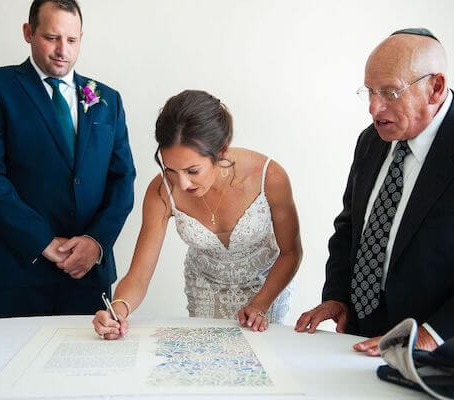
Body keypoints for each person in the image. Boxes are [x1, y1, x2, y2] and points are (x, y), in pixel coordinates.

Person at [295, 28, 454, 370]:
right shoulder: (371, 140)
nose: (375, 107)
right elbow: (351, 227)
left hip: (448, 355)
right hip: (362, 345)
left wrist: (430, 336)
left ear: (435, 87)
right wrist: (338, 296)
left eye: (390, 92)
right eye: (370, 91)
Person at [0, 0, 135, 318]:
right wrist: (43, 242)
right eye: (51, 37)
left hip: (87, 278)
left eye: (71, 40)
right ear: (29, 32)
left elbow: (122, 180)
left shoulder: (107, 99)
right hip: (12, 275)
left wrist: (96, 243)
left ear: (81, 38)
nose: (62, 50)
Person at [93, 90, 302, 338]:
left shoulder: (269, 176)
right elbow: (139, 276)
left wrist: (261, 304)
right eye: (171, 169)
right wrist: (118, 310)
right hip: (205, 291)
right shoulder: (161, 191)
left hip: (267, 290)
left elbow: (291, 252)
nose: (182, 184)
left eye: (193, 170)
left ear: (222, 152)